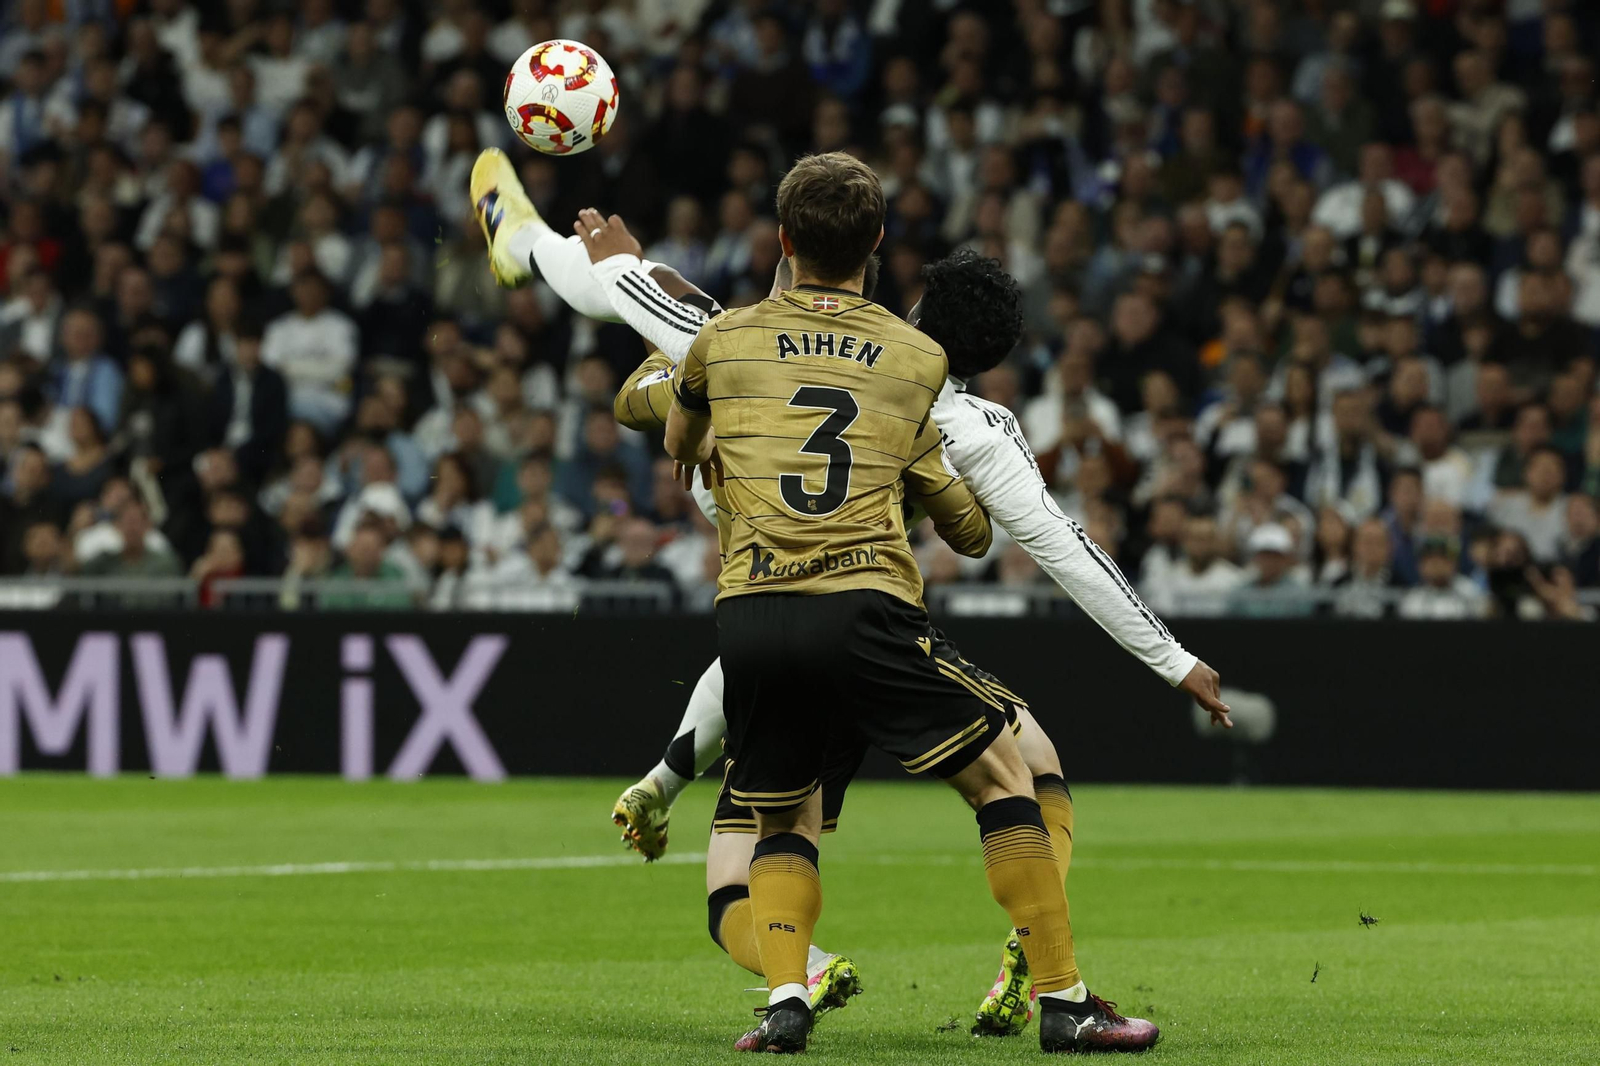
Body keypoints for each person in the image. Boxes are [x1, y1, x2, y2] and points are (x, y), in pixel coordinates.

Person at [469, 148, 1227, 1052]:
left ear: (786, 241)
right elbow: (1050, 547)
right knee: (1019, 769)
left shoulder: (737, 334)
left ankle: (791, 992)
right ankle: (1054, 979)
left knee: (754, 850)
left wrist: (548, 256)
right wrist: (1175, 661)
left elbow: (625, 291)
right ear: (877, 245)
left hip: (755, 599)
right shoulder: (936, 390)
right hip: (872, 612)